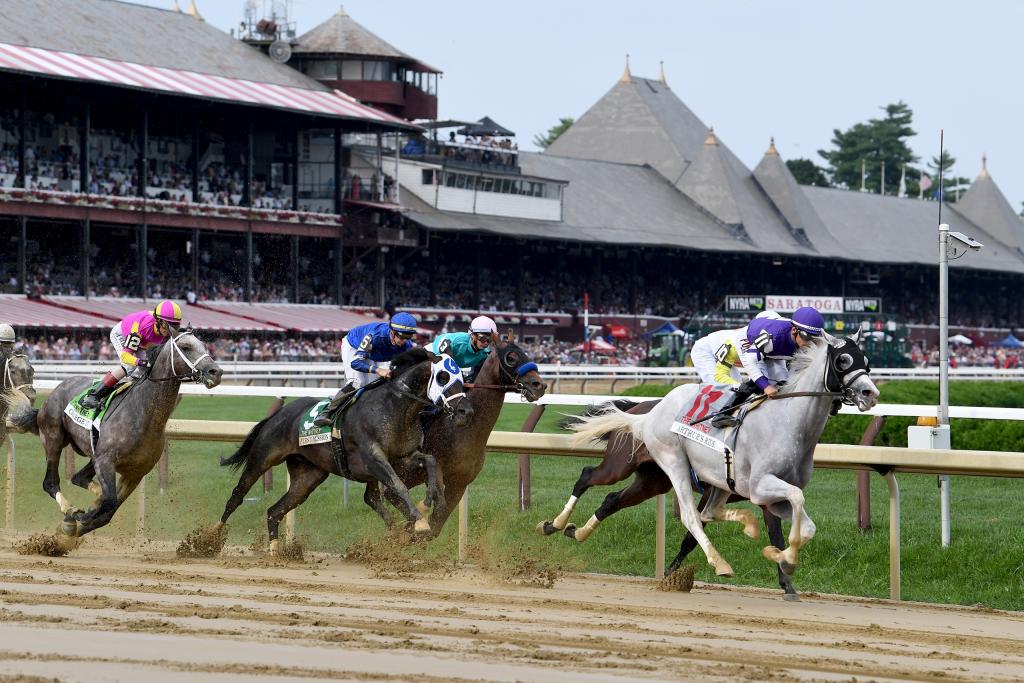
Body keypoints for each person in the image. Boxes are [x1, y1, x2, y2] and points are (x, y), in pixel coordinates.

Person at [710, 306, 825, 429]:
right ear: (794, 330)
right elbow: (750, 361)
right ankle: (721, 414)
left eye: (813, 338)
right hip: (749, 342)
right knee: (759, 381)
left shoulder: (808, 335)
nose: (809, 342)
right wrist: (765, 386)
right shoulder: (772, 338)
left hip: (773, 342)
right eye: (806, 337)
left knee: (783, 382)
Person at [313, 312, 419, 427]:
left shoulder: (406, 345)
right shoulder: (374, 336)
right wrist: (378, 370)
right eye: (401, 337)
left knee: (374, 387)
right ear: (392, 332)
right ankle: (326, 413)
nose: (404, 341)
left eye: (408, 337)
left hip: (374, 353)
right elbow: (356, 363)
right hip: (353, 347)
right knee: (357, 383)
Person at [80, 300, 182, 410]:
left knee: (144, 370)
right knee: (130, 366)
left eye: (174, 326)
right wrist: (141, 362)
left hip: (143, 341)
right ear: (158, 321)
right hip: (122, 334)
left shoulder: (164, 329)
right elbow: (126, 357)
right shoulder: (141, 327)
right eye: (167, 325)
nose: (170, 330)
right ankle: (94, 396)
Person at [428, 316, 498, 382]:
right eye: (483, 338)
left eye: (489, 339)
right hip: (433, 355)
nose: (486, 343)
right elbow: (441, 362)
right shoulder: (457, 342)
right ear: (472, 335)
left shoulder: (486, 354)